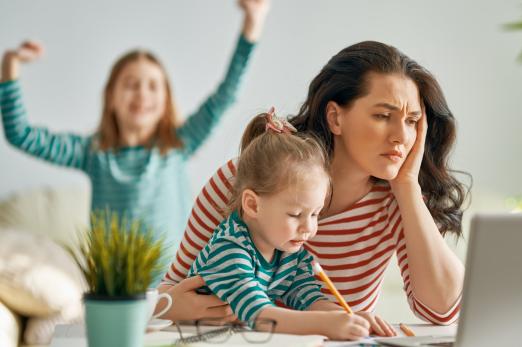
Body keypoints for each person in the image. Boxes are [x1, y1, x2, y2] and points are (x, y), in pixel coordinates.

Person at [159, 39, 468, 330]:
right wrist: (171, 306)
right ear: (335, 118)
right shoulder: (243, 179)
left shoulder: (396, 199)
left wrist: (408, 186)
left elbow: (442, 311)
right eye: (383, 116)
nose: (401, 136)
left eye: (412, 121)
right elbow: (170, 292)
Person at [0, 0, 270, 267]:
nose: (142, 93)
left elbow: (226, 94)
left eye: (153, 86)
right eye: (131, 84)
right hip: (116, 290)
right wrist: (10, 66)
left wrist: (252, 24)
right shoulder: (93, 153)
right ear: (112, 98)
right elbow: (21, 134)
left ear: (166, 100)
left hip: (174, 287)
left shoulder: (178, 144)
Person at [187, 108, 393, 340]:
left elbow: (310, 300)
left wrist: (350, 317)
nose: (309, 228)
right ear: (253, 205)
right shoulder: (229, 250)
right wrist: (326, 324)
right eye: (296, 214)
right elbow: (258, 315)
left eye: (315, 214)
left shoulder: (287, 252)